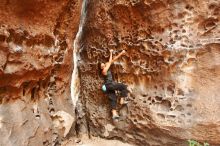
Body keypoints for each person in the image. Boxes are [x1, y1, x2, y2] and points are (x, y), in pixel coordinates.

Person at [100, 49, 129, 120]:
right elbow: (110, 62)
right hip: (109, 84)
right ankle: (122, 100)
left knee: (113, 98)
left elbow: (113, 60)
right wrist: (111, 53)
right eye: (102, 66)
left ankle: (114, 114)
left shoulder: (107, 67)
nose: (103, 66)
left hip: (107, 87)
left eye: (103, 64)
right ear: (101, 68)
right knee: (123, 86)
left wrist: (121, 54)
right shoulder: (104, 71)